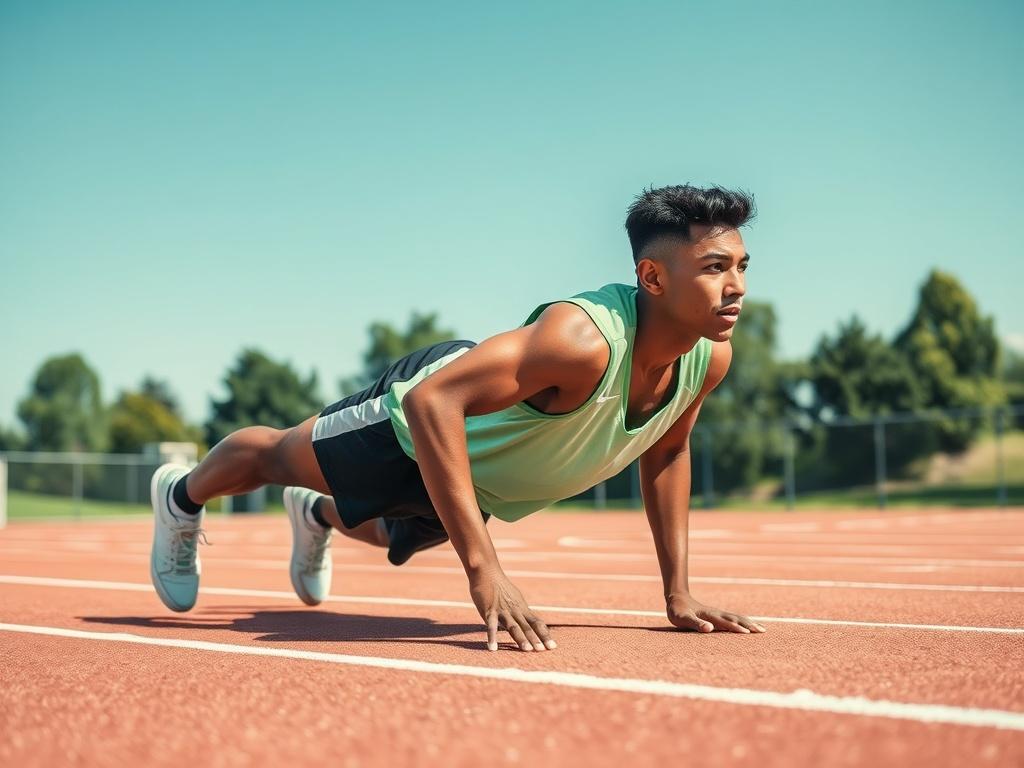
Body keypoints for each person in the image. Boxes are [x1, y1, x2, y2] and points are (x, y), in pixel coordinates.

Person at [149, 183, 768, 652]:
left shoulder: (708, 359)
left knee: (398, 535)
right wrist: (486, 571)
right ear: (652, 277)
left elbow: (667, 453)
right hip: (421, 416)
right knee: (273, 457)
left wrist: (677, 593)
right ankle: (182, 496)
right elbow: (433, 401)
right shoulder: (581, 341)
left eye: (741, 266)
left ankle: (316, 515)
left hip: (483, 475)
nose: (736, 285)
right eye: (715, 267)